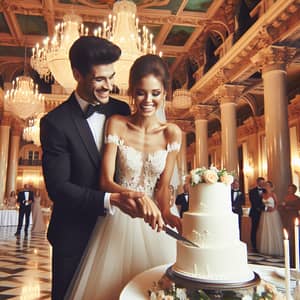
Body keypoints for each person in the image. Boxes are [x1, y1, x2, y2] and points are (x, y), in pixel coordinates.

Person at [40, 37, 164, 300]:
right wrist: (111, 199)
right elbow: (59, 188)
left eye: (112, 77)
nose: (109, 86)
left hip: (120, 233)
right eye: (99, 79)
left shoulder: (120, 109)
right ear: (77, 74)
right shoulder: (55, 123)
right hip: (75, 235)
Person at [66, 54, 182, 300]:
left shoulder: (172, 133)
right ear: (132, 91)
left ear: (164, 93)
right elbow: (105, 181)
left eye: (155, 93)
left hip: (155, 221)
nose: (148, 100)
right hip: (119, 216)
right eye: (141, 93)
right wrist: (138, 197)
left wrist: (169, 214)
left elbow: (162, 188)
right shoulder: (117, 123)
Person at [258, 181, 283, 256]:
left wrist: (273, 209)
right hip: (265, 214)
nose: (267, 186)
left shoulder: (273, 194)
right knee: (266, 229)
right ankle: (266, 248)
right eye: (266, 185)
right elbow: (261, 204)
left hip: (273, 213)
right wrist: (264, 208)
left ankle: (275, 248)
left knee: (273, 229)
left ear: (271, 187)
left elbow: (277, 203)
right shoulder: (263, 194)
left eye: (268, 185)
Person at [249, 176, 265, 252]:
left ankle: (263, 246)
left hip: (264, 213)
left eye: (263, 183)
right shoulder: (252, 191)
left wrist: (264, 208)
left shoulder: (266, 191)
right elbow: (252, 201)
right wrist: (258, 208)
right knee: (254, 229)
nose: (262, 184)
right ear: (257, 182)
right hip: (255, 213)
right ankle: (254, 246)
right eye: (261, 182)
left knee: (263, 230)